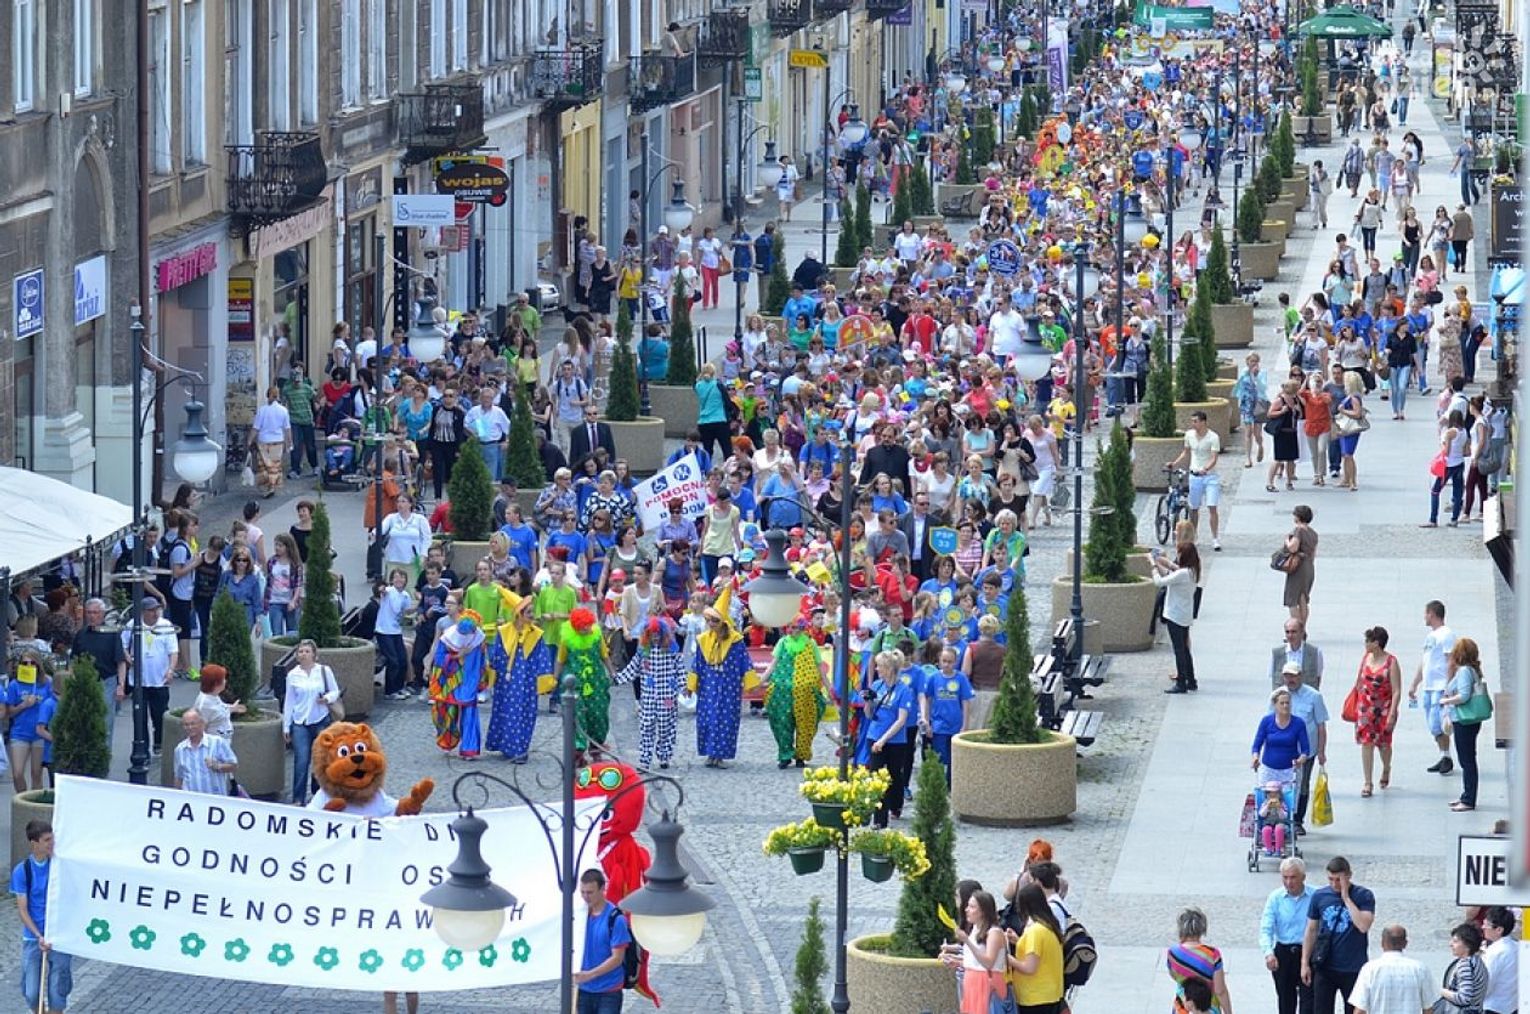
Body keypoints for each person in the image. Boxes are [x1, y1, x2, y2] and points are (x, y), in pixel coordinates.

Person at [486, 591, 554, 764]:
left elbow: (543, 658)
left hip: (527, 681)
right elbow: (497, 656)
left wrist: (544, 680)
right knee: (505, 711)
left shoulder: (536, 634)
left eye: (533, 612)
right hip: (506, 682)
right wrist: (492, 676)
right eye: (529, 612)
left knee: (524, 713)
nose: (533, 616)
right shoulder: (504, 632)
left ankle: (519, 749)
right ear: (519, 614)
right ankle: (506, 746)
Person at [1301, 856, 1376, 1013]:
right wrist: (1305, 963)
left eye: (1338, 880)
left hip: (1353, 968)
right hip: (1325, 966)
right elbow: (1311, 930)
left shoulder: (1364, 895)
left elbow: (1363, 926)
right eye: (1331, 879)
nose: (1334, 884)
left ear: (1349, 876)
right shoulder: (1320, 896)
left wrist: (1346, 898)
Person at [12, 820, 72, 1014]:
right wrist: (39, 936)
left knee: (57, 991)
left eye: (52, 838)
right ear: (34, 843)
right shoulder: (23, 871)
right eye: (46, 840)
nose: (51, 843)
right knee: (31, 992)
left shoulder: (58, 867)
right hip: (33, 938)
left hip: (58, 936)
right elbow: (23, 910)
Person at [612, 617, 686, 769]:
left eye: (658, 634)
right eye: (652, 634)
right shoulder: (643, 652)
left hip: (667, 695)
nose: (655, 637)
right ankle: (645, 759)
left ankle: (664, 756)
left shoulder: (672, 652)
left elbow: (680, 670)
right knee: (646, 727)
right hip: (648, 696)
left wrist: (684, 686)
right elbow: (633, 669)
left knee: (666, 726)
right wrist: (617, 679)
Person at [690, 587, 752, 768]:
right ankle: (710, 754)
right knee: (708, 719)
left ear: (723, 622)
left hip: (729, 687)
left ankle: (720, 755)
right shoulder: (703, 640)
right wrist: (691, 685)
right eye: (708, 620)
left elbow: (745, 662)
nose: (711, 623)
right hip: (708, 686)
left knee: (726, 719)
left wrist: (750, 683)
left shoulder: (736, 642)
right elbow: (697, 663)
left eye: (715, 620)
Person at [281, 639, 341, 805]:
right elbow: (289, 701)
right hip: (300, 721)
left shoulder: (323, 671)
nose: (304, 654)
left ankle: (320, 793)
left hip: (320, 719)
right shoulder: (292, 675)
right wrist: (286, 726)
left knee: (322, 759)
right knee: (301, 760)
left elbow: (335, 691)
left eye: (307, 651)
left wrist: (327, 698)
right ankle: (298, 798)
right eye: (301, 651)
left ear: (314, 654)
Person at [69, 597, 128, 758]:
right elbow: (74, 660)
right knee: (85, 723)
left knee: (105, 724)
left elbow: (121, 661)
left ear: (102, 614)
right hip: (85, 683)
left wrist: (121, 685)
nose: (92, 616)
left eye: (95, 612)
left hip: (107, 682)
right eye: (89, 612)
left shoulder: (112, 634)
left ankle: (103, 759)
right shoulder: (81, 634)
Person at [1405, 599, 1457, 775]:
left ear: (1432, 614)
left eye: (1426, 613)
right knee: (1432, 724)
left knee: (1438, 722)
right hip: (1429, 686)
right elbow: (1425, 662)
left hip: (1440, 686)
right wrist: (1415, 683)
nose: (1424, 617)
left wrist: (1449, 686)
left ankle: (1447, 757)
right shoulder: (1431, 637)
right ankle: (1444, 755)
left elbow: (1450, 661)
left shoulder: (1447, 634)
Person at [121, 597, 179, 755]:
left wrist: (171, 670)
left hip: (160, 680)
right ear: (143, 612)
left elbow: (173, 651)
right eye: (151, 610)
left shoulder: (165, 625)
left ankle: (159, 743)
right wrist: (128, 658)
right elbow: (123, 646)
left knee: (160, 716)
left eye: (157, 609)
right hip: (139, 681)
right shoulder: (132, 625)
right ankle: (142, 750)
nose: (155, 613)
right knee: (140, 718)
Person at [1352, 625, 1402, 798]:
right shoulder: (1366, 658)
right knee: (1366, 743)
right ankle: (1368, 782)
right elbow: (1359, 681)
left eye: (1368, 641)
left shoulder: (1391, 662)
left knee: (1384, 744)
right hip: (1365, 709)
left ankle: (1386, 767)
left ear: (1377, 643)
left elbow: (1396, 690)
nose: (1365, 644)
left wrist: (1392, 713)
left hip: (1384, 708)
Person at [1439, 637, 1487, 812]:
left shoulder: (1465, 671)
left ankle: (1469, 799)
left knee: (1467, 760)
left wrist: (1446, 701)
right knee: (1467, 758)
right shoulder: (1471, 670)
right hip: (1468, 720)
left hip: (1464, 720)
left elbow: (1464, 696)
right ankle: (1466, 794)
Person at [1262, 857, 1315, 1014]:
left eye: (1293, 877)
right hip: (1284, 953)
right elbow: (1266, 928)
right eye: (1285, 877)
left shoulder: (1315, 896)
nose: (1289, 882)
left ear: (1303, 877)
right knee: (1286, 1002)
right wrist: (1268, 953)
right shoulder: (1275, 898)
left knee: (1309, 1003)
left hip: (1308, 951)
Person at [945, 889, 1010, 1013]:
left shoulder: (994, 932)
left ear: (983, 911)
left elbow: (989, 962)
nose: (966, 910)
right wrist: (958, 962)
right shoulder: (975, 929)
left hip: (986, 982)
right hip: (972, 980)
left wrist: (967, 941)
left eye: (972, 907)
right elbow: (975, 961)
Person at [575, 868, 631, 1014]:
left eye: (590, 892)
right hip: (583, 990)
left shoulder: (616, 919)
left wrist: (590, 974)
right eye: (582, 892)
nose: (585, 897)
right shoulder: (579, 916)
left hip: (609, 991)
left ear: (602, 889)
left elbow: (617, 958)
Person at [1005, 884, 1067, 1013]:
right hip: (1049, 993)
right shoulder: (1048, 925)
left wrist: (1007, 958)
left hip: (1034, 997)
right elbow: (1039, 953)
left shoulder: (1035, 931)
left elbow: (1029, 968)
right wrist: (1018, 941)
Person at [1349, 924, 1432, 1014]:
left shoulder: (1369, 970)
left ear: (1382, 943)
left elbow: (1359, 1011)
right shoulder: (1420, 969)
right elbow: (1428, 1009)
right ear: (1405, 944)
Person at [1170, 410, 1223, 550]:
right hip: (1194, 476)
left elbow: (1214, 457)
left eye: (1195, 421)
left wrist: (1206, 468)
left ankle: (1215, 538)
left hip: (1210, 476)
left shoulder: (1213, 437)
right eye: (1192, 421)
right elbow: (1186, 452)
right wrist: (1174, 463)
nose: (1193, 424)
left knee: (1212, 506)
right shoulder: (1189, 435)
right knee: (1194, 508)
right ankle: (1193, 537)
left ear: (1203, 422)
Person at [1152, 543, 1201, 694]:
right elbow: (1172, 575)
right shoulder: (1193, 571)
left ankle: (1181, 683)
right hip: (1185, 615)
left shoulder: (1183, 574)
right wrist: (1165, 563)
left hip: (1175, 615)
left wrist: (1153, 566)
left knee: (1179, 650)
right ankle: (1191, 680)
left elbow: (1159, 582)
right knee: (1185, 649)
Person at [1167, 906, 1233, 1014]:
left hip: (1182, 1007)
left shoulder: (1172, 953)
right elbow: (1220, 990)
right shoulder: (1213, 954)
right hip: (1208, 1008)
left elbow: (1174, 975)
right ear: (1202, 929)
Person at [172, 708, 238, 795]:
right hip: (191, 799)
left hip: (214, 798)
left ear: (202, 724)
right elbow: (179, 777)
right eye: (186, 725)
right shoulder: (180, 749)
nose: (190, 727)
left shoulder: (217, 742)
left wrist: (218, 766)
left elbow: (234, 766)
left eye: (193, 723)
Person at [1438, 923, 1489, 1014]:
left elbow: (1464, 998)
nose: (1451, 944)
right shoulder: (1477, 961)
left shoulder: (1465, 964)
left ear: (1467, 946)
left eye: (1455, 941)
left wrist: (1441, 991)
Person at [1283, 506, 1318, 626]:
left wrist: (1287, 540)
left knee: (1292, 600)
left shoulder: (1298, 530)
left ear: (1298, 517)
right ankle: (1302, 627)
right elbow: (1313, 554)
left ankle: (1297, 627)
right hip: (1309, 567)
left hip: (1298, 567)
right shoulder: (1313, 533)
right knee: (1303, 599)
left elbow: (1293, 547)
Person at [1479, 907, 1518, 1014]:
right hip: (1513, 1006)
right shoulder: (1517, 947)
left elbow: (1486, 984)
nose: (1483, 927)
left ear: (1499, 930)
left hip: (1494, 1007)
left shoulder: (1495, 952)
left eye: (1486, 925)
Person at [191, 664, 245, 740]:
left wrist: (232, 708)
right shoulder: (203, 705)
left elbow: (218, 710)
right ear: (216, 684)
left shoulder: (214, 696)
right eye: (223, 679)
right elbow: (198, 732)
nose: (225, 681)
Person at [1270, 619, 1325, 690]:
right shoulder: (1276, 654)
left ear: (1302, 633)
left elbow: (1318, 677)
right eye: (1287, 632)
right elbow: (1274, 679)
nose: (1290, 635)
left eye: (1294, 632)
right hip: (1284, 695)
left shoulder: (1315, 653)